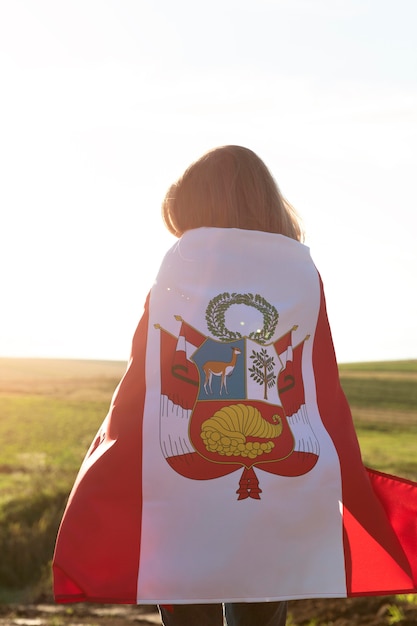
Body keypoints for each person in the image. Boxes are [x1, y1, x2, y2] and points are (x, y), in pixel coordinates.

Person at [53, 146, 417, 625]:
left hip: (181, 476)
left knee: (188, 605)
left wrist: (112, 454)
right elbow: (317, 379)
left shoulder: (181, 264)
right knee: (261, 607)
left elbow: (151, 369)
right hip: (282, 473)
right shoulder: (302, 273)